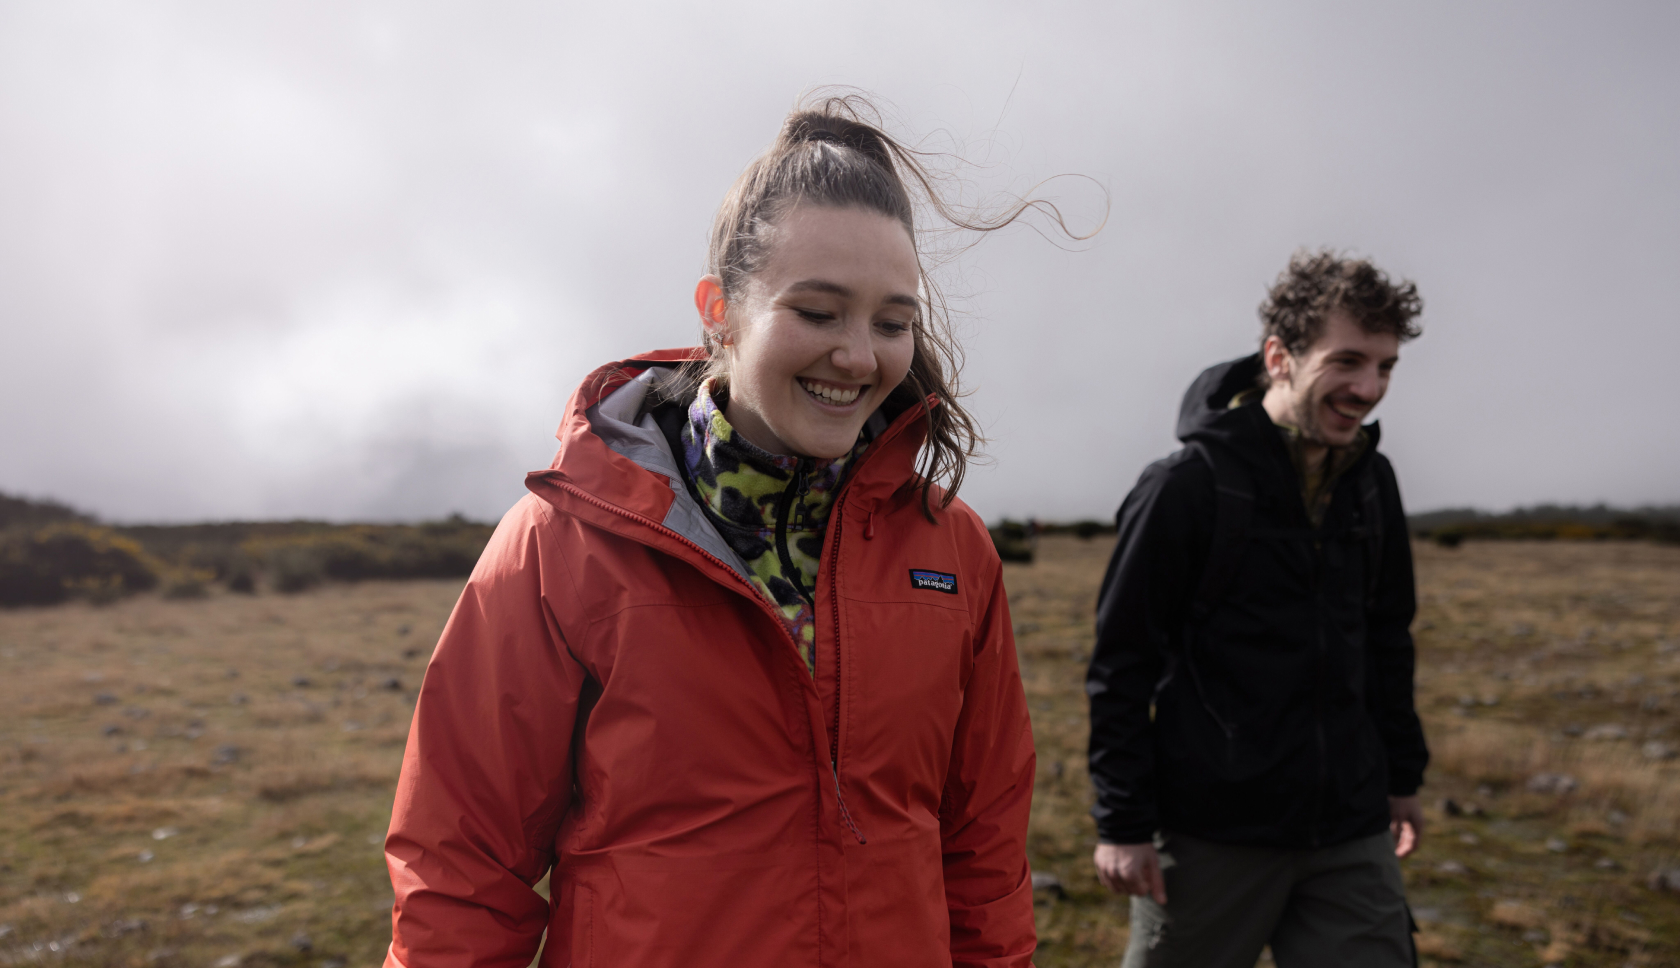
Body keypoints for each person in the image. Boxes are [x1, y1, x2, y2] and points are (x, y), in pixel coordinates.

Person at [383, 95, 1066, 968]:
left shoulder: (953, 551)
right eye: (818, 313)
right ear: (721, 311)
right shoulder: (562, 543)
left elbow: (984, 849)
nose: (860, 357)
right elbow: (462, 865)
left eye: (892, 322)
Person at [1086, 251, 1431, 967]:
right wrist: (1121, 823)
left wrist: (1402, 779)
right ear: (1280, 356)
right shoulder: (1187, 486)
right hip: (1212, 832)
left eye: (1386, 367)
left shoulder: (1373, 482)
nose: (1369, 388)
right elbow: (1121, 663)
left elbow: (1387, 638)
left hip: (1350, 830)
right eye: (1348, 362)